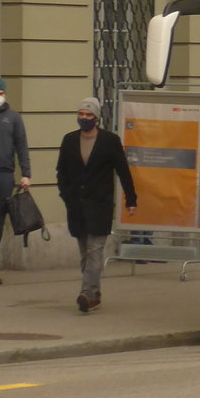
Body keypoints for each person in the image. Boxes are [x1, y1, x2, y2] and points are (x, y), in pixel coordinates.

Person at [56, 97, 137, 312]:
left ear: (96, 118)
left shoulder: (109, 141)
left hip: (99, 205)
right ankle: (94, 294)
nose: (83, 118)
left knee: (95, 251)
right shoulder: (70, 140)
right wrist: (66, 194)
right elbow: (61, 171)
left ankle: (87, 292)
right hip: (76, 207)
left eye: (88, 115)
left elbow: (123, 171)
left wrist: (131, 198)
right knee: (85, 253)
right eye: (81, 114)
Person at [0, 77, 31, 285]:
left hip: (4, 175)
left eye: (0, 93)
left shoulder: (13, 118)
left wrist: (26, 174)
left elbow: (22, 147)